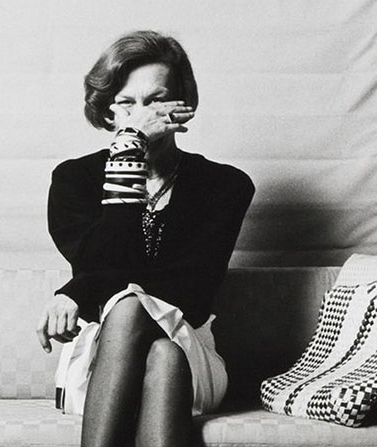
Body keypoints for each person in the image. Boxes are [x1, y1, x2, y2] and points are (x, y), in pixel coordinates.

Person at [36, 30, 254, 447]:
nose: (140, 115)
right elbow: (104, 264)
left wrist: (76, 290)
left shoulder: (226, 185)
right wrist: (128, 155)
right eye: (127, 103)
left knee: (144, 319)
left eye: (155, 100)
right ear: (108, 110)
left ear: (182, 105)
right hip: (101, 356)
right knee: (154, 344)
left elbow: (192, 288)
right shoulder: (73, 180)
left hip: (191, 349)